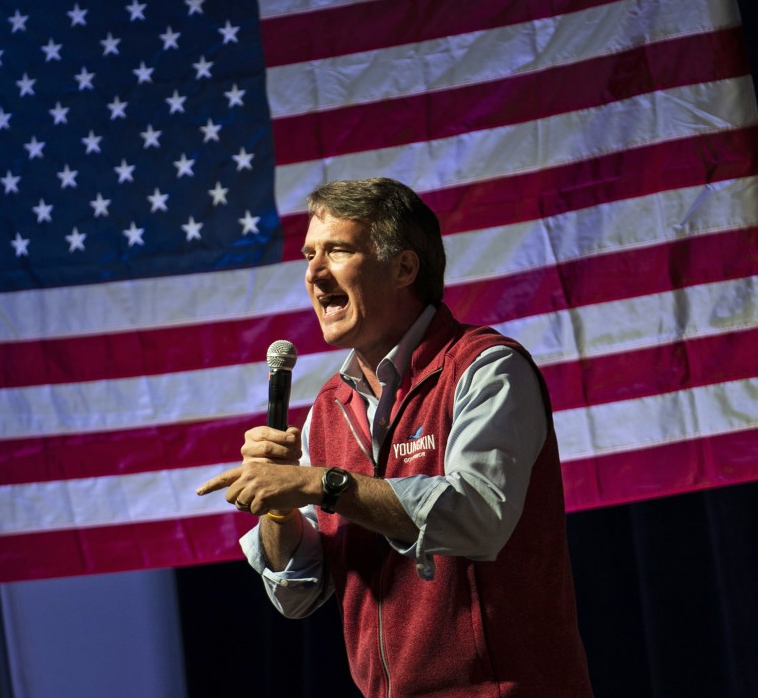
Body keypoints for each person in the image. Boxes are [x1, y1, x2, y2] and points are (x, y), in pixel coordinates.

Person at [197, 177, 593, 696]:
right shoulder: (327, 411)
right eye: (309, 254)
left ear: (404, 267)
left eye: (337, 250)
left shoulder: (484, 369)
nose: (314, 272)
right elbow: (297, 596)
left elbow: (477, 518)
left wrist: (323, 484)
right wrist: (280, 505)